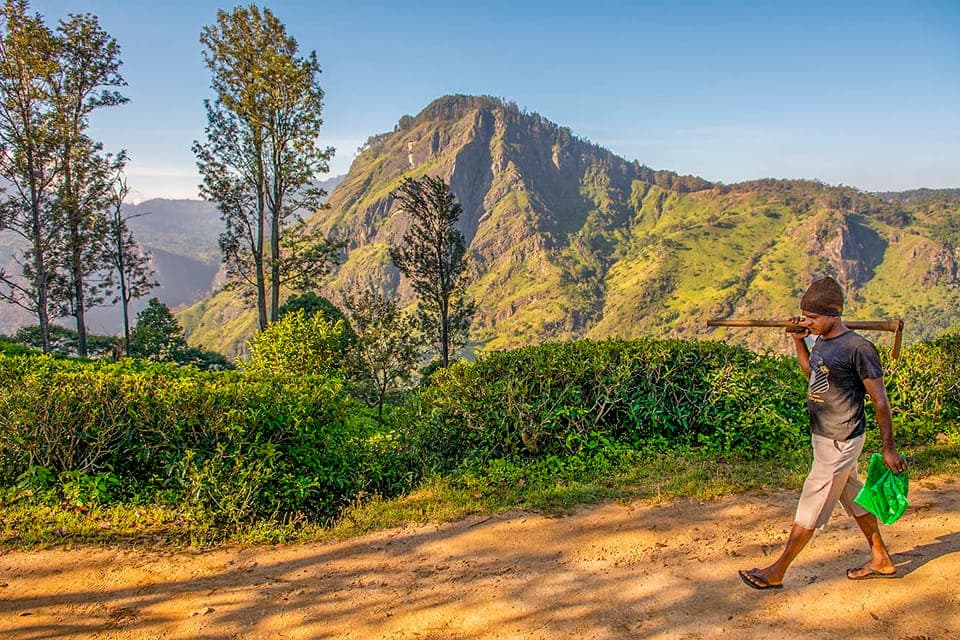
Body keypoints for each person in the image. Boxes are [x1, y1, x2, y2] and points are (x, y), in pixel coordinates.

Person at [738, 275, 908, 590]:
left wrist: (889, 448)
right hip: (824, 436)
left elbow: (880, 401)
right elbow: (813, 375)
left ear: (833, 314)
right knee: (855, 498)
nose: (808, 322)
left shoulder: (859, 348)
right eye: (805, 316)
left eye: (813, 317)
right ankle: (881, 558)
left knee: (811, 503)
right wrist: (798, 341)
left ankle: (777, 571)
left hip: (841, 440)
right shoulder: (823, 341)